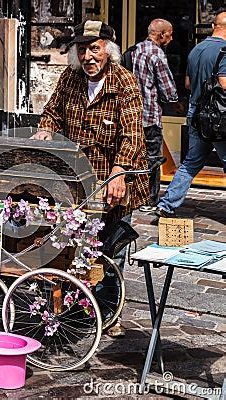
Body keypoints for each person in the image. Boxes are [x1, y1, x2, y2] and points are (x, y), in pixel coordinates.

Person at [32, 20, 150, 336]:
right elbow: (52, 112)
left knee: (110, 248)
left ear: (108, 51)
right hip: (77, 180)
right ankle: (75, 307)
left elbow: (133, 135)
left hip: (114, 179)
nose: (88, 56)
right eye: (82, 49)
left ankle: (110, 313)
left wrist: (118, 172)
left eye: (94, 48)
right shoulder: (70, 78)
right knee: (75, 245)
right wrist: (46, 128)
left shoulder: (124, 82)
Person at [156, 11, 226, 218]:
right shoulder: (224, 50)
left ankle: (166, 205)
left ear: (214, 26)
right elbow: (224, 84)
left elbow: (187, 83)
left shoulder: (197, 49)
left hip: (196, 112)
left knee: (191, 162)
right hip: (220, 117)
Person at [131, 19, 178, 213]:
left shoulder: (135, 49)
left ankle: (133, 195)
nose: (171, 38)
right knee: (153, 158)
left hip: (132, 114)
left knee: (135, 156)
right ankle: (148, 200)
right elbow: (168, 90)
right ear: (161, 34)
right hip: (149, 114)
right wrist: (175, 100)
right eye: (169, 34)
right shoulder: (157, 54)